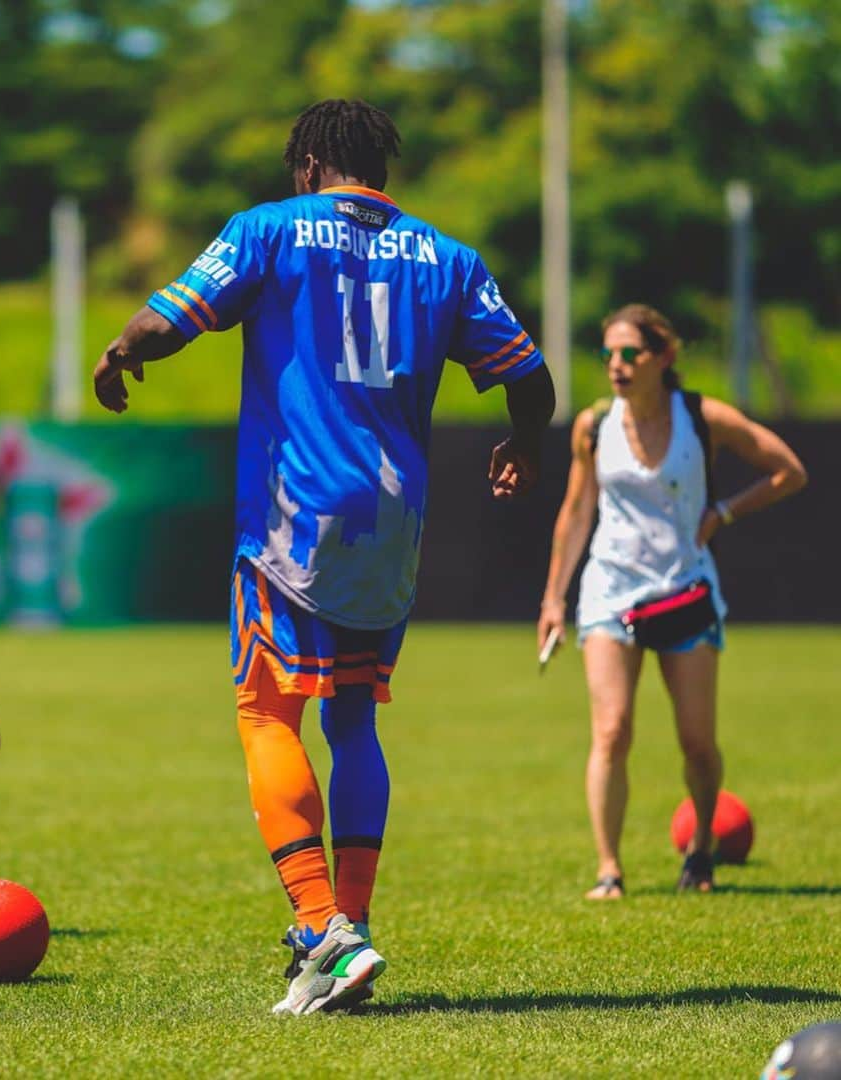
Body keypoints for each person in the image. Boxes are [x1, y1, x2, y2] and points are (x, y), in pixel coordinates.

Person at [95, 98, 554, 1014]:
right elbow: (529, 379)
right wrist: (524, 443)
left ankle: (319, 927)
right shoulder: (449, 257)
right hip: (396, 515)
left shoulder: (268, 229)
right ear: (381, 168)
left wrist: (118, 354)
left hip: (293, 512)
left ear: (307, 164)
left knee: (266, 713)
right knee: (354, 721)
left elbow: (170, 320)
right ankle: (351, 933)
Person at [537, 304, 807, 900]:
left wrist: (724, 511)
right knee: (611, 731)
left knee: (697, 743)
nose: (616, 365)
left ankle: (703, 847)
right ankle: (609, 869)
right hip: (610, 592)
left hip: (685, 592)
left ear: (664, 356)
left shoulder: (700, 415)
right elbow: (577, 512)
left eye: (630, 353)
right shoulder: (593, 425)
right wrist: (554, 599)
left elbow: (789, 470)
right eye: (608, 353)